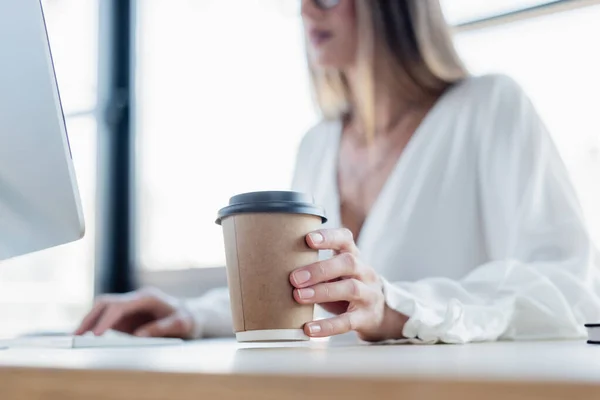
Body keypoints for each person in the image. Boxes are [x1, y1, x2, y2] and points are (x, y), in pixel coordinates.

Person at [76, 0, 600, 344]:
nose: (307, 9)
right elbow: (302, 295)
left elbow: (563, 285)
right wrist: (191, 316)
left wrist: (399, 308)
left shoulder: (490, 107)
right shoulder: (318, 143)